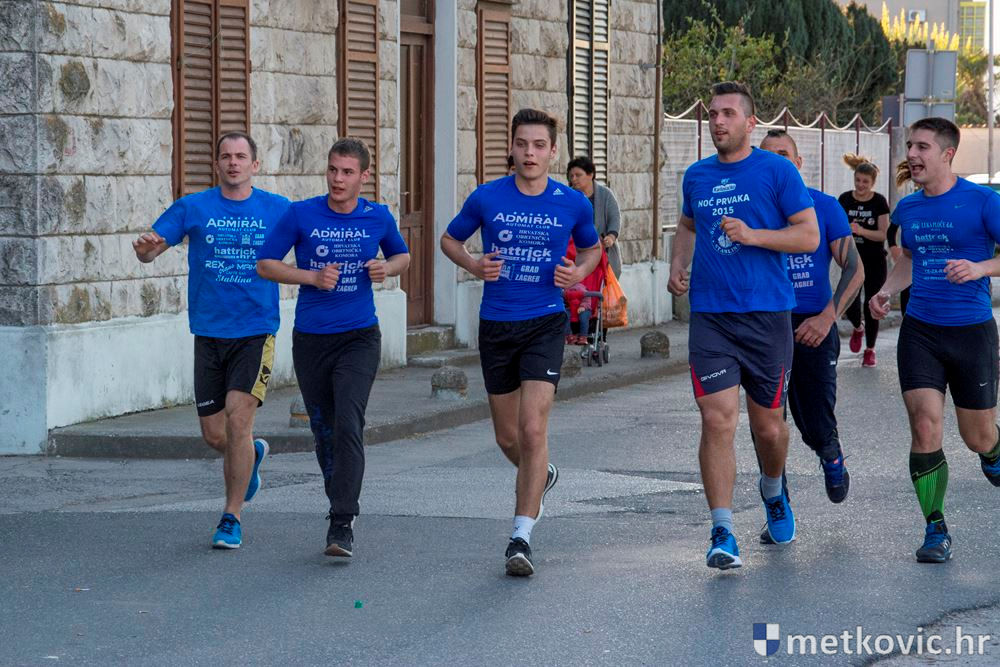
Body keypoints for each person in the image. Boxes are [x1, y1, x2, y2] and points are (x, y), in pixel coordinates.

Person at [441, 108, 601, 576]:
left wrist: (578, 272)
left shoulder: (572, 202)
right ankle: (541, 473)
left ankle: (521, 537)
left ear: (553, 152)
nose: (530, 153)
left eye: (539, 145)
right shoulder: (487, 197)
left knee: (533, 429)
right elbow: (449, 240)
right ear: (511, 148)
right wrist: (474, 265)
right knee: (508, 437)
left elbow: (592, 248)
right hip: (497, 324)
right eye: (522, 144)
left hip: (545, 322)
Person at [668, 81, 819, 570]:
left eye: (728, 113)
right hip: (711, 317)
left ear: (750, 123)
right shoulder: (696, 176)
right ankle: (722, 530)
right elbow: (687, 226)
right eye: (713, 113)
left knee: (768, 428)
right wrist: (678, 264)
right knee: (717, 419)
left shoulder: (776, 171)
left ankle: (773, 490)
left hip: (767, 316)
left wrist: (754, 236)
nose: (718, 121)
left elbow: (808, 236)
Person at [133, 131, 290, 549]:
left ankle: (231, 517)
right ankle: (252, 455)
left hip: (255, 330)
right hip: (208, 332)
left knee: (238, 421)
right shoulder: (194, 206)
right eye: (226, 156)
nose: (233, 163)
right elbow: (150, 249)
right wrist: (145, 249)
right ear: (216, 164)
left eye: (241, 156)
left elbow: (310, 241)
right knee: (215, 435)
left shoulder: (278, 208)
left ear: (255, 165)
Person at [256, 138, 410, 559]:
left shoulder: (377, 216)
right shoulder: (301, 213)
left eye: (347, 172)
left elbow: (402, 256)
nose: (338, 179)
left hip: (359, 337)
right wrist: (311, 277)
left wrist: (385, 268)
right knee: (324, 431)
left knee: (348, 424)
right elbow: (266, 264)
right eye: (332, 170)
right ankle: (340, 497)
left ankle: (342, 521)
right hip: (311, 339)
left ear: (364, 176)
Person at [870, 117, 1000, 564]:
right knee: (925, 426)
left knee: (977, 436)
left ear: (948, 154)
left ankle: (993, 451)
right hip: (921, 330)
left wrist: (981, 268)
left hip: (971, 332)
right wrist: (886, 290)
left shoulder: (983, 202)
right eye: (910, 146)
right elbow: (910, 260)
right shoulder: (908, 209)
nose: (912, 154)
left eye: (922, 147)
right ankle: (935, 528)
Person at [756, 129, 864, 516]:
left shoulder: (824, 206)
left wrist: (827, 317)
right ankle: (777, 503)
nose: (777, 162)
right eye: (768, 155)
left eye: (784, 154)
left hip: (814, 325)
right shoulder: (752, 210)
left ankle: (830, 453)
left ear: (798, 163)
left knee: (814, 420)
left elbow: (854, 268)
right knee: (767, 423)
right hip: (765, 324)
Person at [839, 154, 891, 367]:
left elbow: (882, 234)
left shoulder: (879, 202)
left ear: (872, 182)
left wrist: (861, 230)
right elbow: (837, 228)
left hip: (874, 260)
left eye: (865, 182)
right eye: (858, 180)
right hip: (852, 258)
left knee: (872, 303)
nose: (861, 185)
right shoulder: (845, 199)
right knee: (849, 302)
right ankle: (857, 327)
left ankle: (870, 349)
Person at [567, 156, 623, 279]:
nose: (574, 179)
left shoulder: (605, 194)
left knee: (604, 287)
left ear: (590, 174)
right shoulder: (568, 197)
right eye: (571, 176)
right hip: (578, 256)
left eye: (578, 175)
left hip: (604, 254)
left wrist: (611, 237)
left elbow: (615, 218)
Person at [887, 160, 915, 316]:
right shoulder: (906, 204)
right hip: (909, 263)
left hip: (932, 269)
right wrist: (893, 248)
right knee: (907, 300)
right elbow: (891, 230)